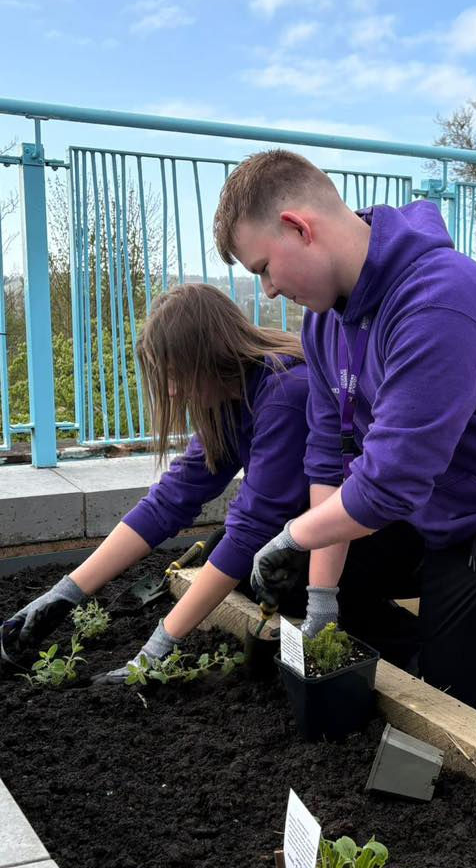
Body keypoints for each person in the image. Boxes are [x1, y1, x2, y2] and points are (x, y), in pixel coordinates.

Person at [213, 150, 476, 777]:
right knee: (470, 715)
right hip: (456, 526)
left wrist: (290, 537)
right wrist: (322, 599)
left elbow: (386, 485)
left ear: (299, 227)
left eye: (264, 268)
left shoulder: (439, 298)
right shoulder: (323, 328)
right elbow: (328, 464)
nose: (269, 289)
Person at [0, 282, 421, 682]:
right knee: (232, 556)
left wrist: (154, 651)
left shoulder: (285, 393)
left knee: (266, 572)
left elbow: (252, 528)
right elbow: (169, 501)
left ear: (208, 357)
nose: (170, 392)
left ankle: (403, 645)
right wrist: (63, 595)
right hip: (327, 533)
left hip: (389, 538)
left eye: (175, 375)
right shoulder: (230, 396)